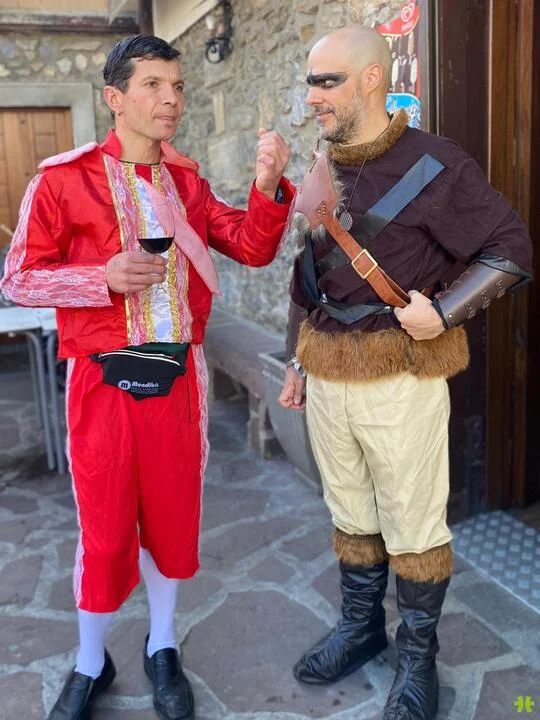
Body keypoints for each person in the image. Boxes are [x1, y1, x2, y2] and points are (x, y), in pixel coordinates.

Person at [1, 35, 293, 720]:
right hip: (102, 381)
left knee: (171, 520)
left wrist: (267, 185)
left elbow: (251, 246)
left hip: (176, 378)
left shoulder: (186, 183)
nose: (171, 99)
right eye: (154, 85)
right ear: (115, 98)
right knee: (104, 531)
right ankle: (90, 661)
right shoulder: (62, 180)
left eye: (178, 86)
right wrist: (97, 277)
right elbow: (17, 277)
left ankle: (163, 645)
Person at [279, 24, 532, 720]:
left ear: (370, 80)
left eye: (327, 81)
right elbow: (308, 271)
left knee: (413, 528)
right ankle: (362, 630)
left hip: (401, 378)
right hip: (327, 375)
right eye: (310, 81)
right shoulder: (324, 160)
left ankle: (418, 660)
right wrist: (296, 357)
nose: (313, 95)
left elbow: (510, 247)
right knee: (350, 513)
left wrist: (445, 312)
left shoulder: (436, 163)